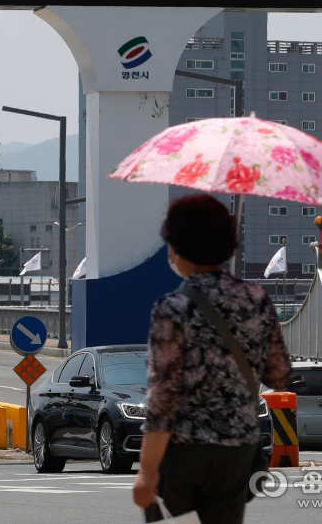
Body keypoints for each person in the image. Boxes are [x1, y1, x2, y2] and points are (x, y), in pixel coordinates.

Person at [133, 194, 292, 524]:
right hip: (238, 452)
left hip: (185, 453)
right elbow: (278, 376)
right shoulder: (257, 300)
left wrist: (147, 472)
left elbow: (163, 398)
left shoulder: (172, 308)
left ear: (177, 247)